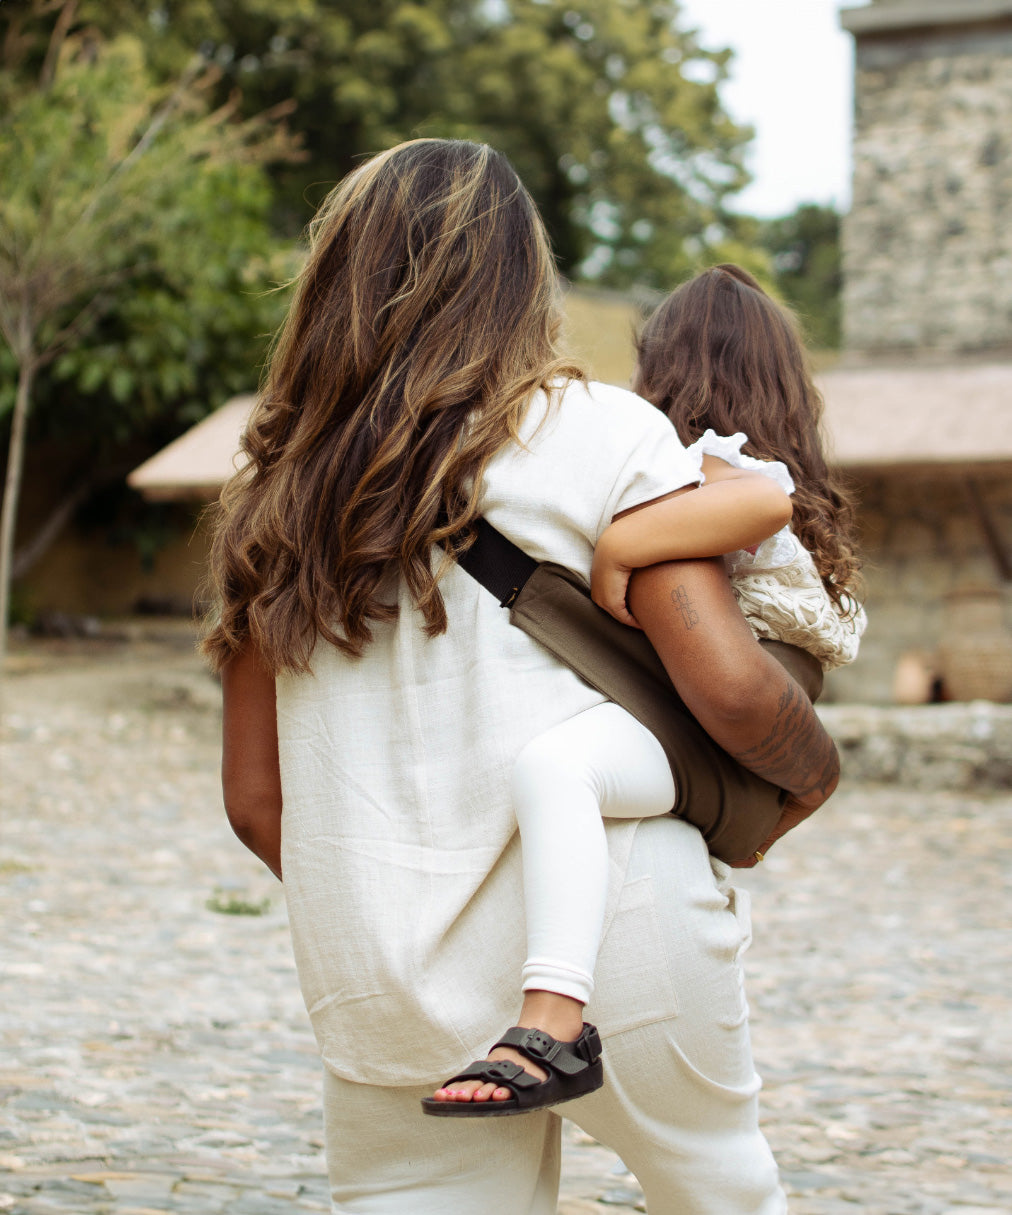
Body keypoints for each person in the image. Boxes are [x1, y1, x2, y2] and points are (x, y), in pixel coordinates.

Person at [204, 139, 841, 1214]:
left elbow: (259, 805)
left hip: (383, 966)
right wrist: (812, 776)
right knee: (719, 1194)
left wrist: (408, 902)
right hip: (622, 932)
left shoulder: (270, 504)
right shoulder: (596, 431)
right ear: (517, 280)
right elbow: (732, 691)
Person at [424, 265, 865, 1115]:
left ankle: (553, 1018)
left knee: (559, 766)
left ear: (663, 369)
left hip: (741, 691)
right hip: (762, 705)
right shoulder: (766, 471)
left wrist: (623, 544)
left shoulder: (702, 462)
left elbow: (763, 502)